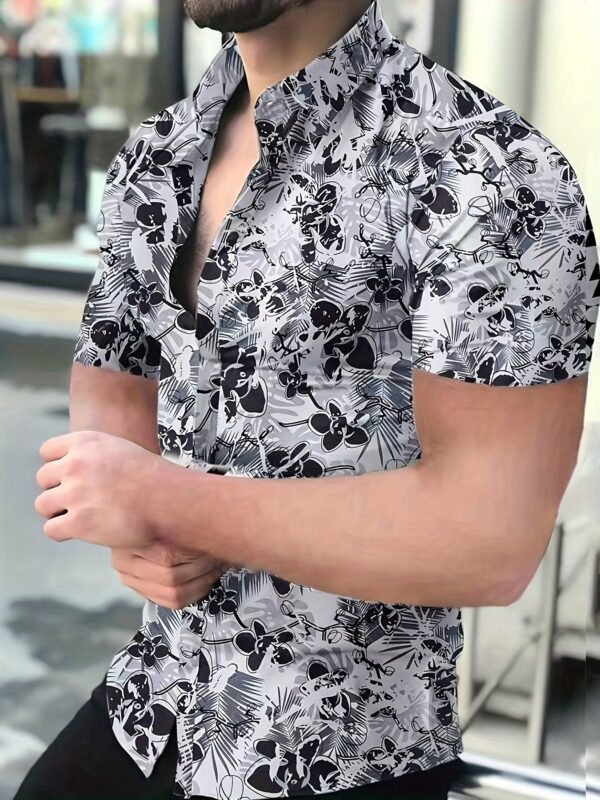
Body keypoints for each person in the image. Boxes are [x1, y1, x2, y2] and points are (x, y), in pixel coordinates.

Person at [19, 0, 599, 798]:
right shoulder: (159, 152)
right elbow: (115, 385)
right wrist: (142, 529)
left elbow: (488, 537)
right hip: (153, 704)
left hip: (343, 748)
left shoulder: (485, 169)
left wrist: (170, 503)